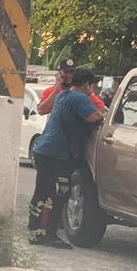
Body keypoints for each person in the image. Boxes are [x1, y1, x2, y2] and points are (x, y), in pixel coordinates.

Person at [28, 68, 104, 249]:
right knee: (60, 194)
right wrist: (100, 115)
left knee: (41, 192)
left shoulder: (62, 96)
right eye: (91, 86)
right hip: (59, 155)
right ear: (86, 84)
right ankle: (51, 235)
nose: (92, 90)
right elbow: (94, 116)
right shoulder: (81, 99)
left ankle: (33, 232)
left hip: (43, 151)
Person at [38, 58, 105, 116]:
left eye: (71, 72)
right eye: (66, 72)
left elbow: (100, 106)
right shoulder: (49, 91)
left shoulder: (81, 90)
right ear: (59, 73)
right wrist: (55, 91)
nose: (69, 75)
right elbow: (41, 111)